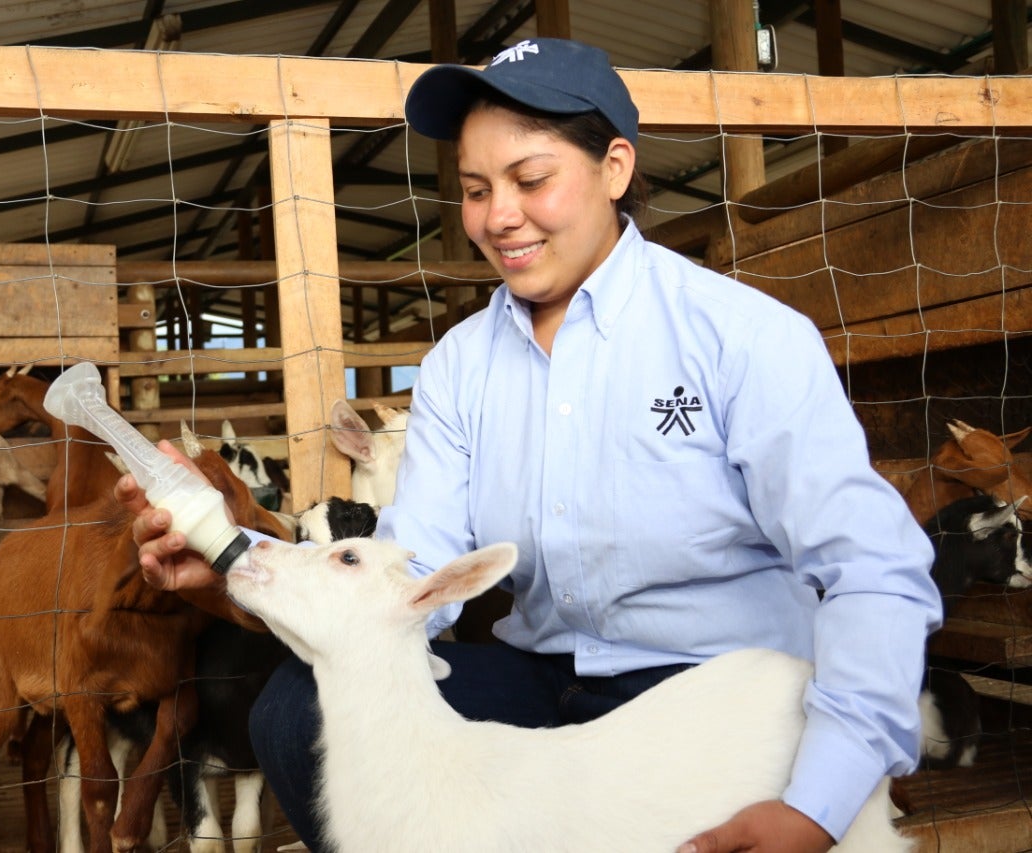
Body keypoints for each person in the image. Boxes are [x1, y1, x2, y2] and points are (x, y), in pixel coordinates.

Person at [116, 37, 943, 853]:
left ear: (615, 168)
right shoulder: (459, 368)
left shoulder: (743, 339)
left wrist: (821, 802)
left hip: (713, 698)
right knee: (295, 713)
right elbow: (409, 580)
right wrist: (231, 560)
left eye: (531, 179)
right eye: (475, 189)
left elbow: (874, 570)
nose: (497, 216)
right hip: (547, 685)